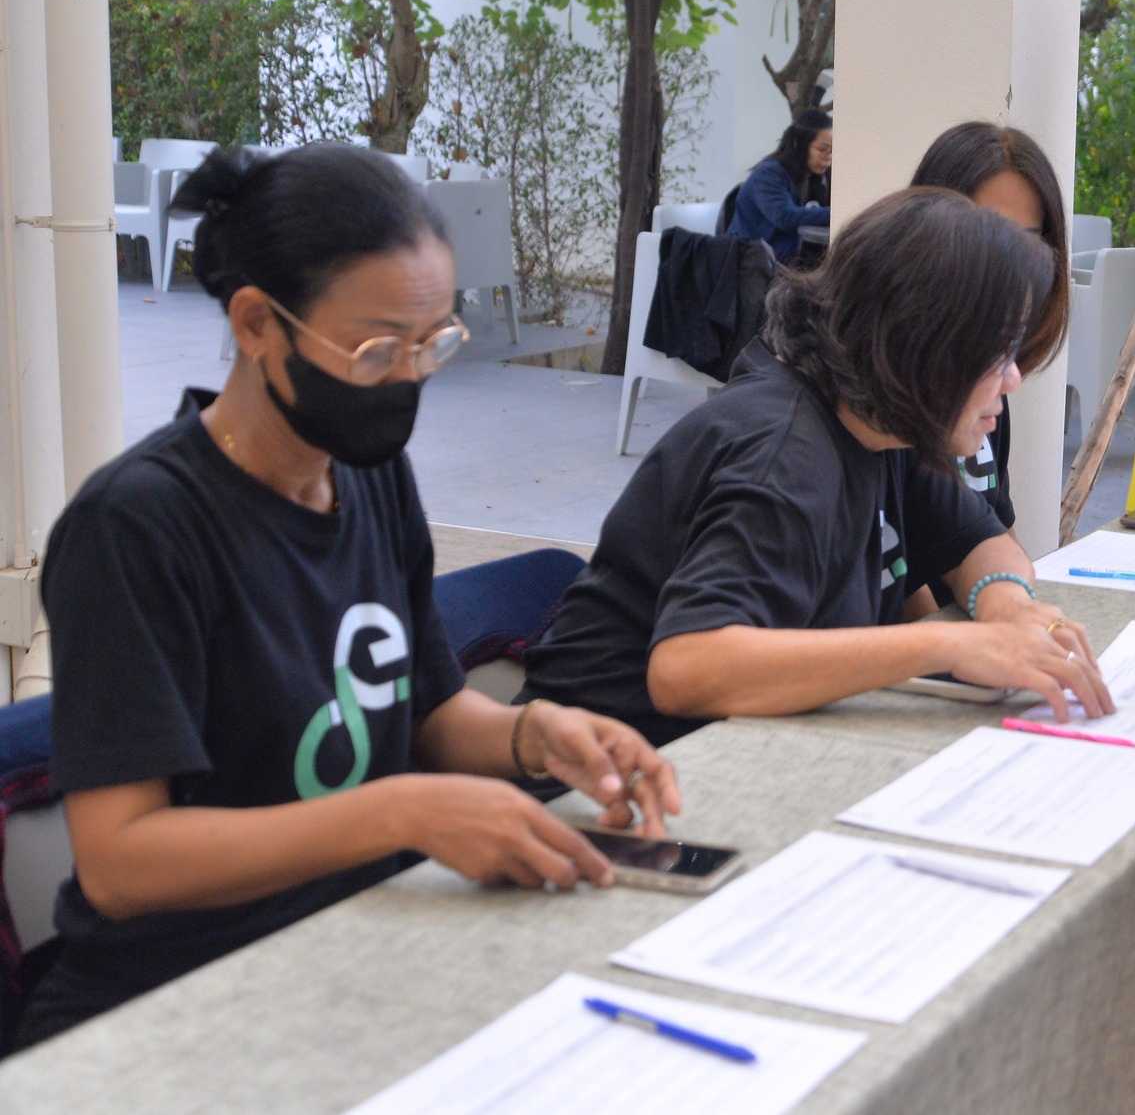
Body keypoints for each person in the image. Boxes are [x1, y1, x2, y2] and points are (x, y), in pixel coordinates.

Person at [17, 145, 681, 1047]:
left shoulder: (368, 477)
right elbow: (122, 861)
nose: (409, 377)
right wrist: (403, 811)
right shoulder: (137, 529)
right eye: (375, 349)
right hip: (173, 1004)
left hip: (354, 944)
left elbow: (431, 714)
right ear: (258, 324)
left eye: (434, 342)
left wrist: (539, 736)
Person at [517, 189, 1111, 746]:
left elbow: (983, 542)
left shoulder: (882, 426)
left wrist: (1007, 610)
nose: (1014, 378)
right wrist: (948, 643)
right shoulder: (784, 456)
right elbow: (687, 668)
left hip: (733, 756)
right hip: (607, 785)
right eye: (999, 353)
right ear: (928, 347)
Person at [905, 121, 1070, 608]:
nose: (1012, 262)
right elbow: (897, 581)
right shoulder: (874, 402)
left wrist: (1021, 612)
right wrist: (948, 646)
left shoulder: (984, 385)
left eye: (1031, 240)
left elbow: (991, 533)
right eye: (989, 233)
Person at [729, 109, 833, 263]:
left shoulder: (813, 176)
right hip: (750, 265)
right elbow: (785, 216)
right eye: (823, 149)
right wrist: (837, 212)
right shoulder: (768, 174)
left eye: (832, 151)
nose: (829, 157)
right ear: (799, 145)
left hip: (783, 261)